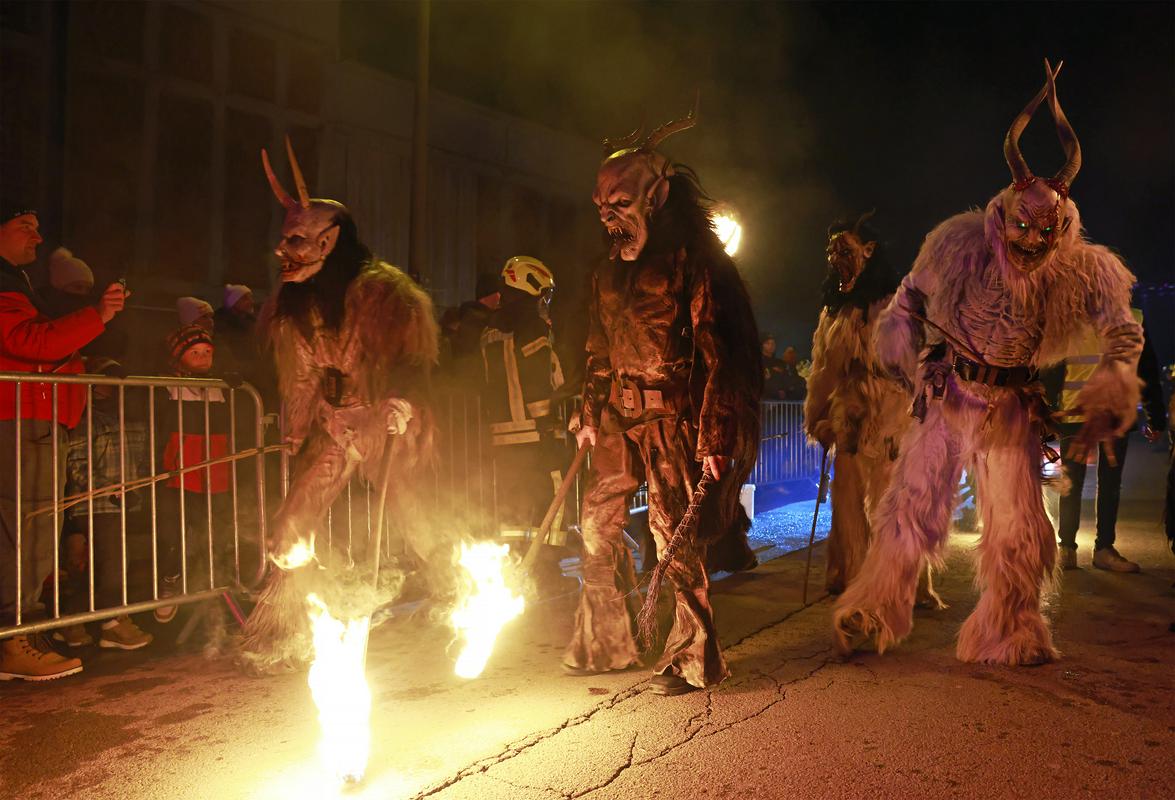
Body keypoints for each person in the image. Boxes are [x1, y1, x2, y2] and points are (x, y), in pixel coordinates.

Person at [833, 62, 1143, 666]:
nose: (1032, 241)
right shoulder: (957, 244)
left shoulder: (1083, 268)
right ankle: (874, 609)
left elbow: (1122, 330)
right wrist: (900, 344)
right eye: (1022, 226)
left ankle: (1011, 628)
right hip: (949, 393)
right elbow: (909, 296)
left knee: (1019, 525)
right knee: (910, 505)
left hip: (1011, 407)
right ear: (1001, 218)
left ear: (1064, 228)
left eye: (1047, 232)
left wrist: (1116, 377)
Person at [563, 100, 762, 695]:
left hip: (673, 419)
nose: (609, 217)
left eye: (620, 203)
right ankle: (606, 638)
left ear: (657, 196)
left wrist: (716, 434)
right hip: (619, 418)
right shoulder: (606, 274)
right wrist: (589, 410)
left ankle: (694, 656)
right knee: (595, 523)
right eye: (601, 206)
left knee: (672, 533)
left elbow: (721, 354)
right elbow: (598, 352)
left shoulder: (695, 264)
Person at [241, 139, 440, 665]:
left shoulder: (383, 294)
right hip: (335, 426)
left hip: (384, 421)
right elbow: (302, 376)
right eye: (284, 240)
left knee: (418, 516)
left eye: (298, 240)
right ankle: (283, 632)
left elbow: (411, 360)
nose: (284, 251)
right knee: (291, 526)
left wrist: (402, 403)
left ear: (330, 241)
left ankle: (458, 594)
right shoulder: (295, 307)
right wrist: (295, 429)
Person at [0, 203, 129, 681]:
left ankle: (23, 633)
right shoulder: (5, 283)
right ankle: (16, 637)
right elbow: (27, 343)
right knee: (27, 527)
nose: (36, 237)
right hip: (23, 415)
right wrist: (97, 315)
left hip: (32, 415)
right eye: (24, 227)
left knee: (29, 527)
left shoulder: (17, 282)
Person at [804, 212, 913, 595]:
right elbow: (824, 368)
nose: (836, 259)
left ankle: (895, 580)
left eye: (845, 251)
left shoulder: (895, 307)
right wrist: (818, 414)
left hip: (890, 413)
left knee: (888, 497)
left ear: (868, 251)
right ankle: (849, 572)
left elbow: (913, 365)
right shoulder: (834, 313)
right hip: (850, 413)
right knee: (847, 495)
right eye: (832, 252)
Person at [479, 256, 568, 589]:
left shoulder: (491, 328)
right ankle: (547, 570)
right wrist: (547, 423)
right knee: (552, 498)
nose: (545, 302)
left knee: (514, 504)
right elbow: (535, 379)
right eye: (544, 295)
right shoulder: (531, 326)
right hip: (534, 432)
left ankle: (516, 570)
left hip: (502, 436)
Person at [1055, 309, 1167, 571]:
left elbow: (1146, 370)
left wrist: (1155, 417)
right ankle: (1080, 548)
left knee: (1097, 483)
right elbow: (1147, 372)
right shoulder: (1067, 315)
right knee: (1090, 483)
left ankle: (1087, 548)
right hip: (1081, 412)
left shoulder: (1131, 317)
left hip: (1104, 413)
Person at [55, 357, 153, 649]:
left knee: (113, 565)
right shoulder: (84, 420)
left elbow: (142, 459)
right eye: (104, 380)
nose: (110, 387)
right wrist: (105, 489)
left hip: (124, 503)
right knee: (112, 565)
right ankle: (110, 623)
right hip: (95, 505)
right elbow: (76, 463)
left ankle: (71, 619)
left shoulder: (132, 419)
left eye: (115, 380)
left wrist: (137, 487)